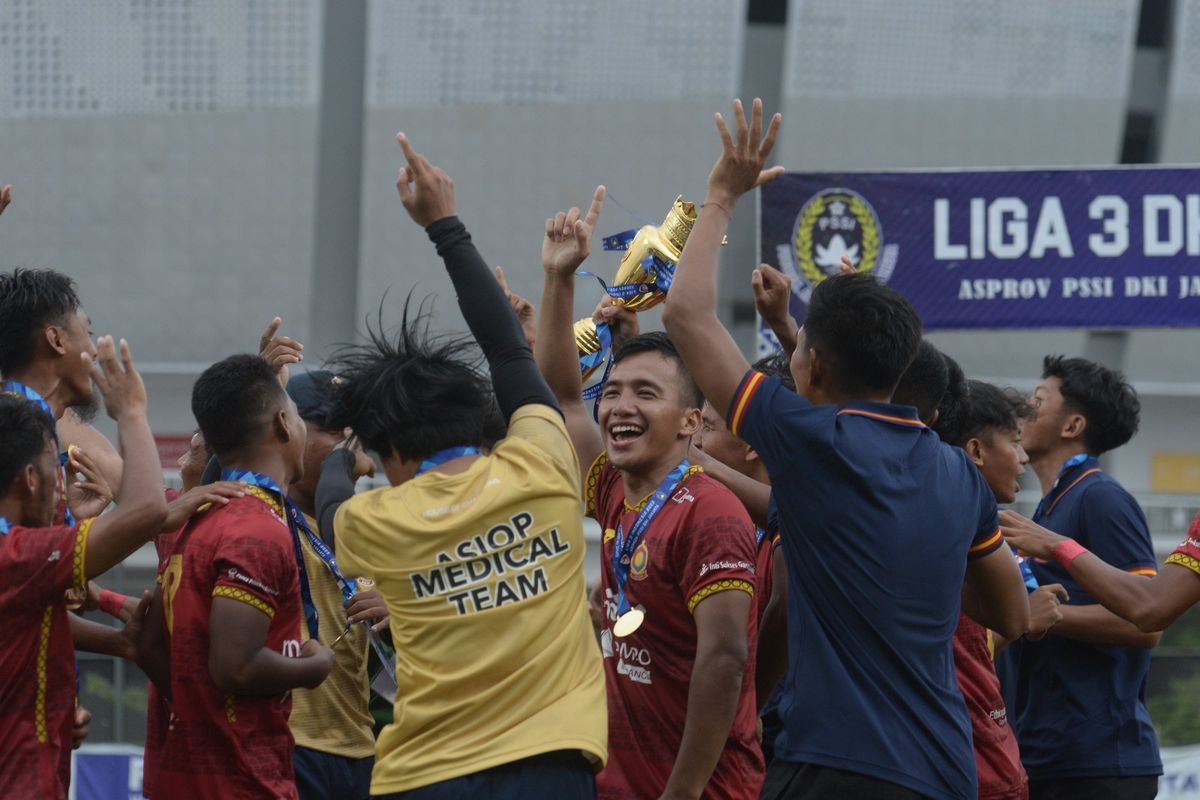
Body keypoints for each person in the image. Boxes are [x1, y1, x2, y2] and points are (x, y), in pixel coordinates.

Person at [660, 97, 1030, 800]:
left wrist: (720, 196)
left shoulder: (808, 441)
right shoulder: (958, 473)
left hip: (838, 766)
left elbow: (684, 315)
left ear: (815, 367)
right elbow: (1010, 618)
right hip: (946, 770)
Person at [319, 133, 606, 799]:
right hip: (551, 768)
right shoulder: (542, 461)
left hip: (423, 778)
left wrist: (344, 457)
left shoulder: (376, 518)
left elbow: (330, 502)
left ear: (392, 453)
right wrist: (445, 225)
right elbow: (508, 352)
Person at [534, 181, 762, 795]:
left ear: (692, 420)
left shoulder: (710, 511)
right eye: (612, 393)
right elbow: (559, 393)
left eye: (646, 394)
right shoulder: (614, 486)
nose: (619, 408)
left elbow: (725, 659)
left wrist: (681, 792)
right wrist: (559, 278)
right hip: (620, 782)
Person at [148, 354, 335, 799]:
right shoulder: (255, 528)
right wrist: (314, 666)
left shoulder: (198, 517)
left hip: (187, 777)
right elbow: (235, 665)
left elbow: (149, 644)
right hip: (242, 780)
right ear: (285, 425)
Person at [0, 336, 168, 799]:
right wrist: (131, 412)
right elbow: (149, 508)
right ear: (31, 478)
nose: (64, 487)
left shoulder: (25, 555)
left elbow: (33, 621)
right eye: (57, 471)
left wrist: (115, 637)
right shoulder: (18, 556)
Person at [994, 356, 1162, 800]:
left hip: (1100, 761)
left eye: (1036, 401)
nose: (1022, 412)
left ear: (1072, 426)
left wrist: (1043, 617)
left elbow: (1147, 622)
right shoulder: (1048, 508)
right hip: (1046, 753)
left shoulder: (1100, 496)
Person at [935, 379, 1072, 800]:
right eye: (1014, 442)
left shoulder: (974, 525)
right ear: (975, 451)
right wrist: (1022, 620)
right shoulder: (946, 531)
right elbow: (946, 650)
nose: (1023, 458)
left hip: (990, 755)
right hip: (969, 766)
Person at [284, 369, 388, 800]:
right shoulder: (262, 516)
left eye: (355, 432)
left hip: (359, 750)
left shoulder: (371, 528)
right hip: (291, 745)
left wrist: (397, 610)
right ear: (284, 429)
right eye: (331, 429)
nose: (348, 445)